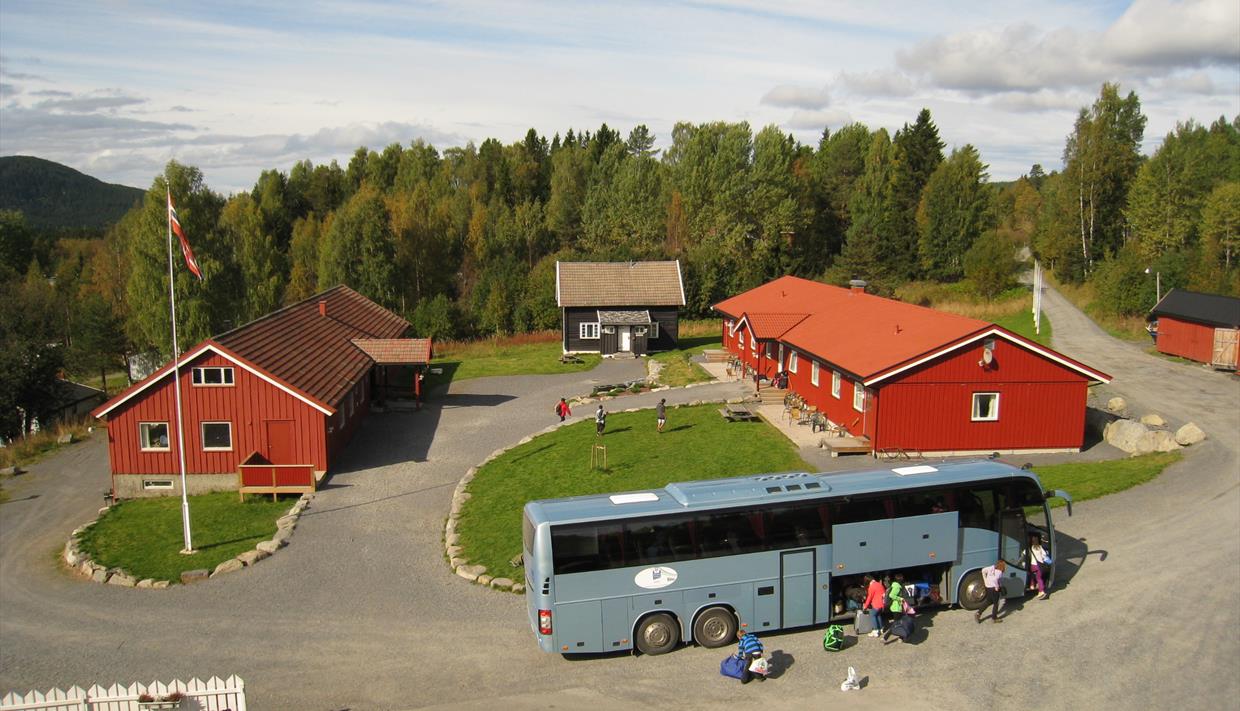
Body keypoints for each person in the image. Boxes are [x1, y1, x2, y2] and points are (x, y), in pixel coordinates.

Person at [882, 572, 906, 641]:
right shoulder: (897, 586)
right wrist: (900, 598)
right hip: (897, 608)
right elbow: (891, 595)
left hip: (895, 607)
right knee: (897, 623)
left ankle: (901, 636)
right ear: (900, 580)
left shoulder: (894, 585)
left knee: (898, 623)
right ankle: (886, 637)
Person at [862, 573, 886, 638]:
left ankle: (875, 631)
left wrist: (865, 606)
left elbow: (869, 598)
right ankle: (881, 629)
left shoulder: (871, 587)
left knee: (873, 616)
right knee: (878, 615)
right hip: (882, 605)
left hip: (876, 605)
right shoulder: (879, 584)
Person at [1029, 533, 1050, 600]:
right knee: (1039, 578)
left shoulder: (1031, 548)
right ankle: (1039, 590)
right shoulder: (1040, 547)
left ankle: (1038, 589)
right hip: (1040, 565)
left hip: (1033, 565)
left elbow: (1024, 553)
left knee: (1031, 574)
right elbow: (1044, 556)